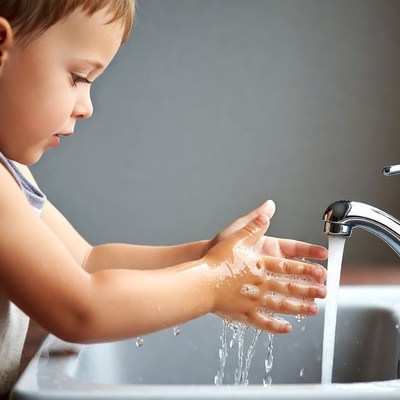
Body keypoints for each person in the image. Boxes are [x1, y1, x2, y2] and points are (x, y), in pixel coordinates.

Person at [0, 0, 328, 394]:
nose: (87, 107)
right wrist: (213, 282)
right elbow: (81, 309)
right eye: (77, 76)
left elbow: (87, 263)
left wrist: (210, 257)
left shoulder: (11, 173)